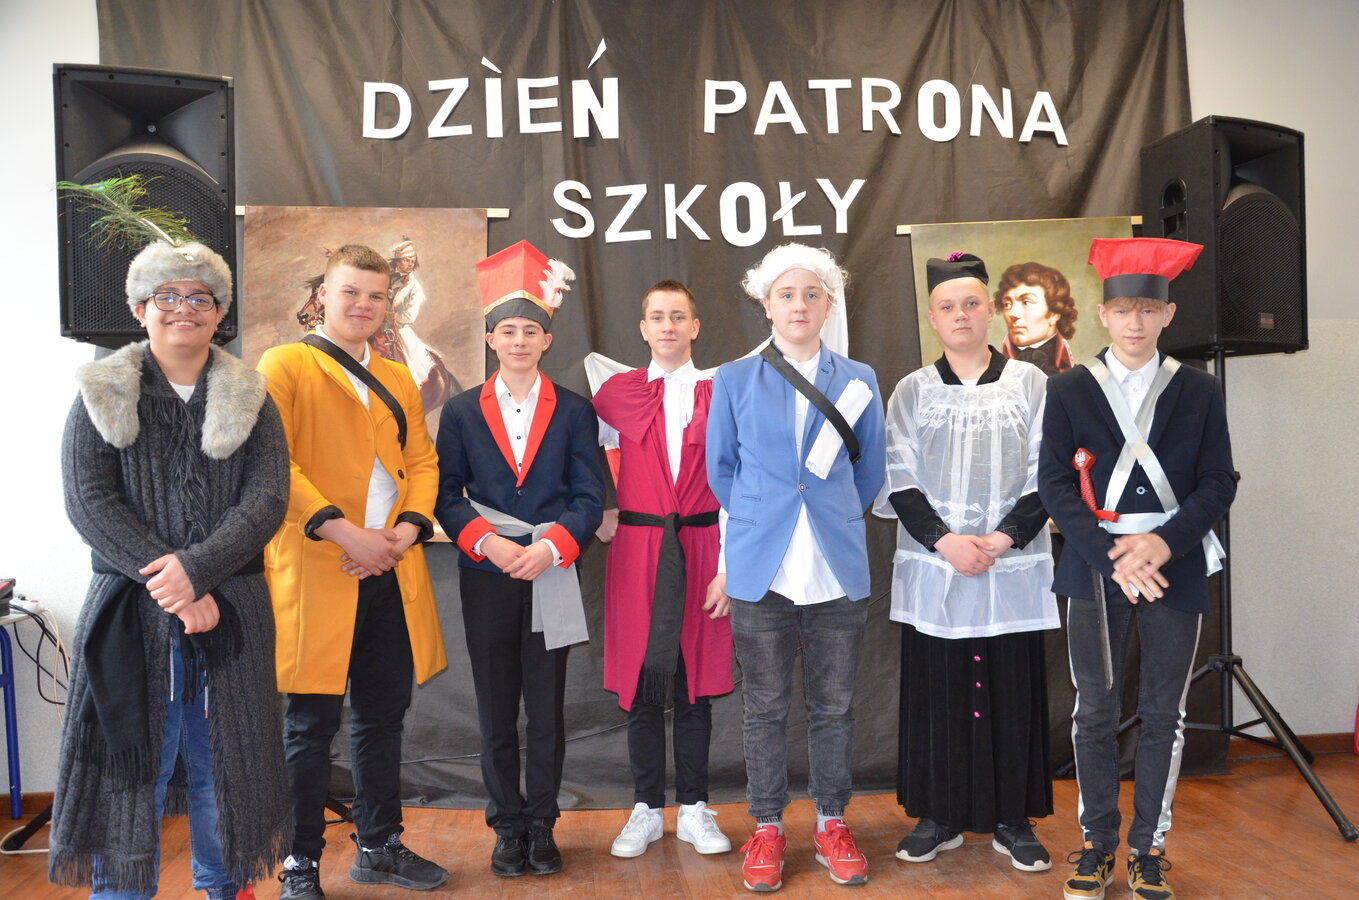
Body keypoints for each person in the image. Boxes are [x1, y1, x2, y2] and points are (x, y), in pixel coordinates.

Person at [50, 224, 291, 899]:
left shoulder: (251, 394)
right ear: (140, 309)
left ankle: (226, 888)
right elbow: (89, 502)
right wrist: (178, 584)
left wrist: (199, 572)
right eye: (168, 296)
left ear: (221, 312)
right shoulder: (100, 391)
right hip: (129, 614)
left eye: (201, 297)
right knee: (132, 767)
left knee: (225, 765)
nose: (184, 308)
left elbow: (267, 500)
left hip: (234, 611)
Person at [1039, 238, 1236, 900]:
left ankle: (1148, 848)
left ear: (1167, 314)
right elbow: (1053, 485)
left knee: (1163, 712)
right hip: (1096, 567)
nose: (1134, 322)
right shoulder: (1068, 388)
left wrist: (1163, 545)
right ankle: (1096, 844)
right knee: (1094, 709)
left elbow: (1218, 480)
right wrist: (1112, 556)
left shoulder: (1198, 389)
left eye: (1148, 309)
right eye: (1122, 310)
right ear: (1102, 314)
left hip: (1172, 565)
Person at [257, 244, 448, 898]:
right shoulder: (284, 364)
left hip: (390, 567)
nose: (363, 305)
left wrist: (404, 532)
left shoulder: (396, 376)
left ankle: (379, 844)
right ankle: (299, 863)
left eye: (375, 295)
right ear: (322, 296)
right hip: (320, 565)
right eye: (350, 292)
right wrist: (345, 533)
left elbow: (421, 463)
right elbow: (273, 464)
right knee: (309, 726)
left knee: (381, 718)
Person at [706, 243, 886, 891]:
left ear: (828, 304)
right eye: (786, 294)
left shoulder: (859, 379)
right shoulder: (733, 379)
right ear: (766, 304)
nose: (799, 305)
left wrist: (828, 513)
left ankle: (832, 822)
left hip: (836, 569)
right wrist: (764, 520)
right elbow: (721, 471)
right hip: (762, 571)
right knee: (763, 708)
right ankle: (766, 827)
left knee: (833, 708)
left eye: (811, 294)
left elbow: (870, 471)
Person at [874, 252, 1057, 874]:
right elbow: (898, 475)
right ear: (932, 317)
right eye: (948, 306)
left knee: (1013, 688)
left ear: (991, 311)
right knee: (938, 689)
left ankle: (1013, 817)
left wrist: (1004, 539)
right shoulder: (912, 391)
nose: (960, 315)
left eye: (971, 303)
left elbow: (1047, 471)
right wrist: (944, 542)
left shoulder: (1030, 384)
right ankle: (939, 813)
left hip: (1010, 565)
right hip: (939, 566)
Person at [434, 240, 604, 878]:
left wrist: (550, 547)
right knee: (496, 706)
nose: (519, 341)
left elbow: (589, 497)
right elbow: (446, 494)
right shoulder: (460, 411)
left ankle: (543, 824)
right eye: (508, 331)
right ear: (490, 339)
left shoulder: (575, 410)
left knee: (547, 707)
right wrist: (491, 542)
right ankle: (507, 826)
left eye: (531, 331)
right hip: (487, 573)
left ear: (546, 340)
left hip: (551, 569)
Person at [591, 280, 734, 859]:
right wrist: (599, 512)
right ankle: (646, 808)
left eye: (678, 316)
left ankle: (695, 807)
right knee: (643, 683)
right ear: (643, 329)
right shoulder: (615, 394)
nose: (668, 326)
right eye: (657, 316)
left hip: (702, 547)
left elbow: (740, 481)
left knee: (694, 682)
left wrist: (729, 566)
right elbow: (581, 459)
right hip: (640, 550)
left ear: (694, 326)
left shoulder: (722, 391)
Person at [382, 239, 458, 412]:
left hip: (397, 327)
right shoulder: (385, 275)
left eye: (413, 261)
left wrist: (389, 316)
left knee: (411, 359)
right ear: (397, 261)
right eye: (406, 260)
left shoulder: (414, 287)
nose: (410, 264)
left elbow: (409, 316)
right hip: (376, 323)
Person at [996, 261, 1078, 375]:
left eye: (1026, 302)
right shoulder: (995, 373)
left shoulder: (1076, 374)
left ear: (1054, 313)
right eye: (1007, 304)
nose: (1012, 313)